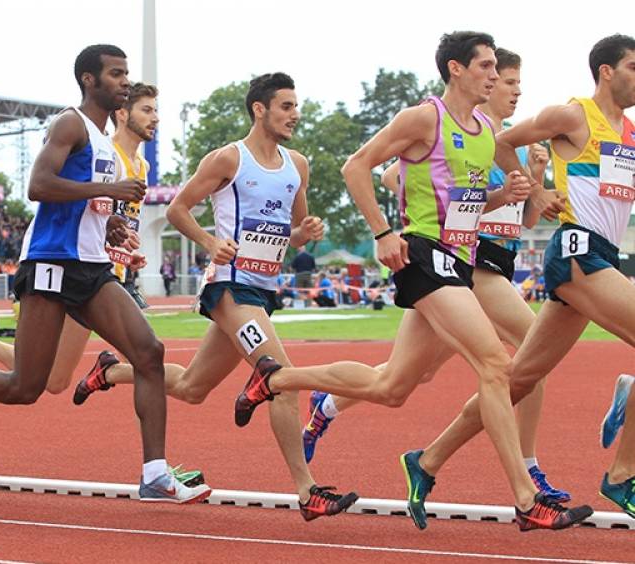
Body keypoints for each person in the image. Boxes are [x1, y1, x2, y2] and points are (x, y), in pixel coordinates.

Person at [233, 32, 592, 531]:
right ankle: (526, 498)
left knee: (393, 385)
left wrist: (503, 196)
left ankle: (275, 379)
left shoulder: (484, 132)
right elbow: (357, 166)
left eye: (497, 68)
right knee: (495, 364)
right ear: (456, 69)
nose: (495, 76)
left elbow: (462, 208)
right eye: (486, 66)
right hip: (424, 256)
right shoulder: (425, 118)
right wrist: (382, 232)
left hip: (458, 260)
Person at [0, 45, 211, 504]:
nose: (125, 82)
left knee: (148, 352)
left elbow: (84, 203)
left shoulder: (106, 144)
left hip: (91, 266)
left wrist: (109, 223)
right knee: (25, 387)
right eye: (116, 74)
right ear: (89, 80)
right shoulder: (69, 124)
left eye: (126, 74)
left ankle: (154, 475)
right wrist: (109, 190)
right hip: (50, 264)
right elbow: (38, 186)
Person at [72, 72, 358, 521]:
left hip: (262, 291)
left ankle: (109, 372)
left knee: (192, 387)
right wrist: (209, 243)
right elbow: (177, 209)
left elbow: (295, 234)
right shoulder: (229, 159)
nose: (295, 115)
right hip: (229, 288)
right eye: (286, 106)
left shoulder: (297, 165)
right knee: (281, 379)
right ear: (260, 109)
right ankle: (307, 492)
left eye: (296, 106)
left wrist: (308, 231)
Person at [300, 47, 570, 502]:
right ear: (471, 77)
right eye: (506, 80)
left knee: (405, 378)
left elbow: (523, 220)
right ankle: (528, 474)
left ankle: (322, 402)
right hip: (469, 260)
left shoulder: (509, 145)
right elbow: (391, 176)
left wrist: (531, 187)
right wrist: (414, 216)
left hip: (482, 262)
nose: (513, 91)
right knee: (528, 355)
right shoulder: (444, 126)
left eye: (515, 83)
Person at [408, 33, 635, 520]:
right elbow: (502, 141)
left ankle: (426, 461)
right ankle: (621, 475)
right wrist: (536, 191)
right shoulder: (573, 115)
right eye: (634, 67)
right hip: (578, 254)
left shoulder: (630, 133)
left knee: (518, 380)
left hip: (602, 257)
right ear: (607, 72)